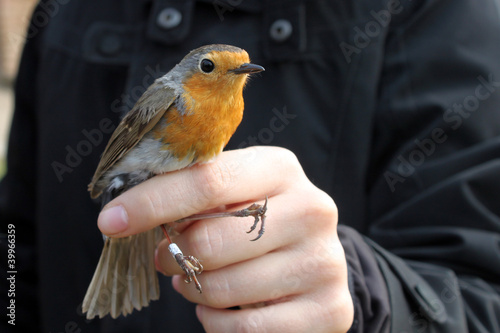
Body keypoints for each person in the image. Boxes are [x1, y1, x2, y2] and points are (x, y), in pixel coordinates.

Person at [1, 0, 499, 332]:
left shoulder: (442, 15)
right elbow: (14, 240)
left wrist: (366, 293)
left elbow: (482, 298)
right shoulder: (73, 16)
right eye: (212, 67)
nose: (235, 73)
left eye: (240, 67)